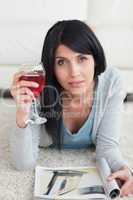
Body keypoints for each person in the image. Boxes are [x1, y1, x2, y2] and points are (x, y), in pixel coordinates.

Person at [10, 20, 133, 196]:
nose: (74, 72)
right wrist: (22, 114)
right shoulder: (39, 84)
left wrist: (124, 169)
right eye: (61, 62)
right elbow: (23, 163)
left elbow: (107, 147)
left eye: (81, 58)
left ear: (95, 58)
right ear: (51, 66)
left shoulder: (112, 81)